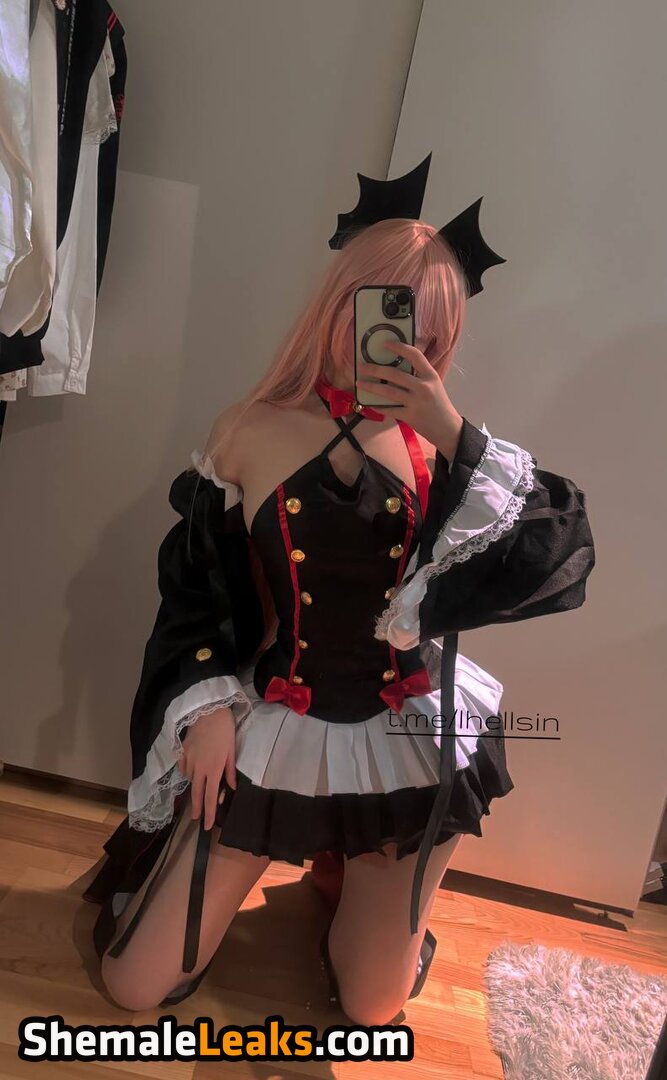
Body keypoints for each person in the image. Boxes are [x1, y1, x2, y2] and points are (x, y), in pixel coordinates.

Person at [83, 215, 595, 1024]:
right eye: (389, 311)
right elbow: (196, 588)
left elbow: (556, 549)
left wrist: (451, 432)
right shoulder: (250, 430)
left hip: (405, 734)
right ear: (341, 304)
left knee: (372, 1010)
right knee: (134, 988)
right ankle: (323, 874)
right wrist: (206, 707)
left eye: (430, 328)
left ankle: (362, 889)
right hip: (277, 720)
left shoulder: (449, 452)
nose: (406, 341)